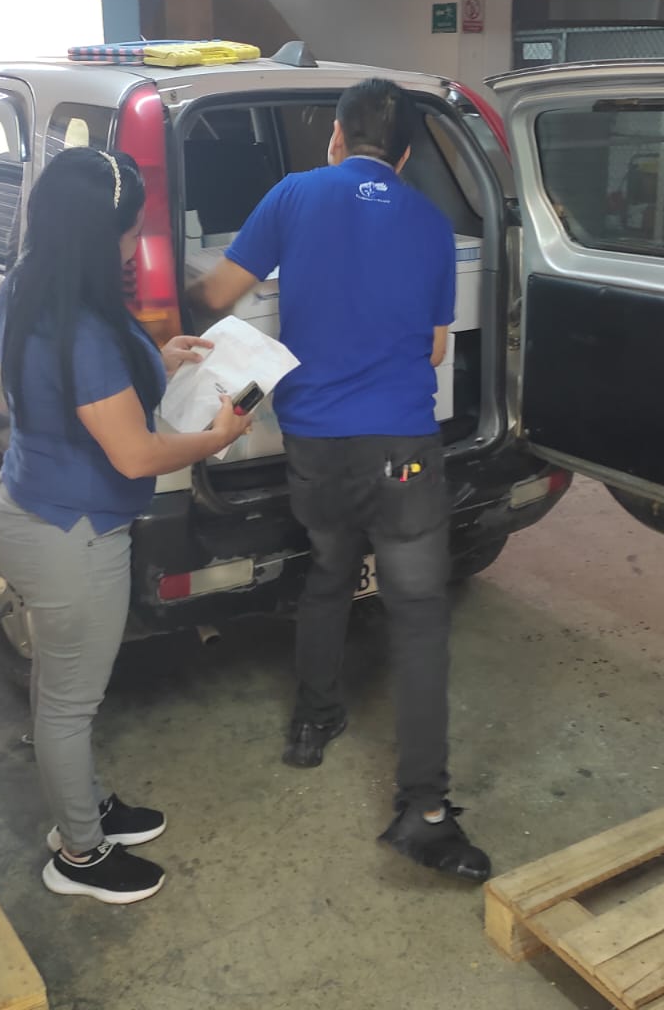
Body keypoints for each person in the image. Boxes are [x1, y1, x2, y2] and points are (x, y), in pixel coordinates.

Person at [190, 78, 490, 882]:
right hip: (404, 451)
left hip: (316, 444)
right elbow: (436, 347)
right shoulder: (429, 224)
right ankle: (424, 808)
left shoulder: (294, 195)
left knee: (327, 573)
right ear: (405, 154)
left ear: (335, 135)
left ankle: (313, 722)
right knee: (418, 615)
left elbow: (214, 297)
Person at [0, 147, 254, 904]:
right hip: (71, 537)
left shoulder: (31, 283)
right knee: (69, 703)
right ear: (97, 235)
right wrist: (217, 437)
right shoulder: (82, 328)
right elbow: (135, 454)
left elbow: (78, 392)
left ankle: (87, 804)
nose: (136, 246)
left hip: (33, 506)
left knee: (60, 687)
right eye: (131, 231)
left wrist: (158, 361)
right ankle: (79, 854)